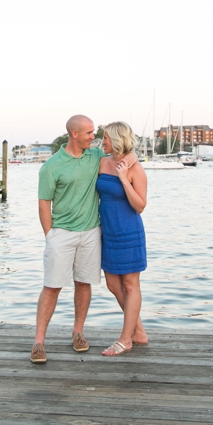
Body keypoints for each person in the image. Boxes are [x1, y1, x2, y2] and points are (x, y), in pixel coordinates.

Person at [31, 115, 134, 364]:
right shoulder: (52, 166)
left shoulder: (96, 156)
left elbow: (125, 156)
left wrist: (132, 159)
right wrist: (50, 235)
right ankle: (39, 341)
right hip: (61, 233)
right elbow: (44, 204)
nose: (94, 137)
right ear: (74, 134)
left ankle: (78, 332)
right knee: (52, 287)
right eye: (89, 133)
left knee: (84, 283)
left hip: (91, 232)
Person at [97, 121, 149, 357]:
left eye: (105, 138)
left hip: (128, 229)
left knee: (130, 285)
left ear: (116, 139)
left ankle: (125, 339)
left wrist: (124, 179)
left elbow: (140, 206)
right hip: (107, 231)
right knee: (113, 285)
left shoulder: (135, 168)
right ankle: (138, 332)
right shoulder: (101, 160)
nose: (102, 142)